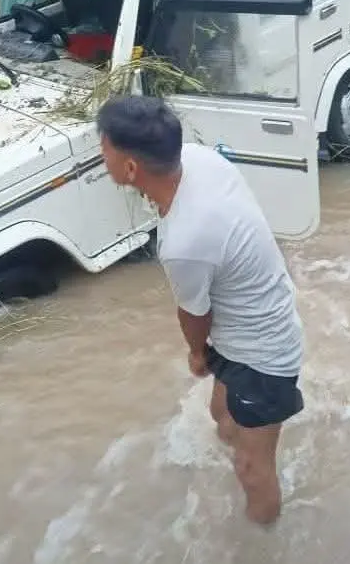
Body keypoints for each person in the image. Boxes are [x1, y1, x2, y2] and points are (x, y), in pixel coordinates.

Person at [96, 95, 304, 525]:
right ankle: (245, 445)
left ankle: (264, 538)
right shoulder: (198, 159)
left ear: (131, 168)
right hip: (249, 318)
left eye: (105, 149)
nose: (101, 157)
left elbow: (194, 316)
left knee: (253, 470)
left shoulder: (184, 243)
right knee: (220, 417)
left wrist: (195, 354)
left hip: (263, 355)